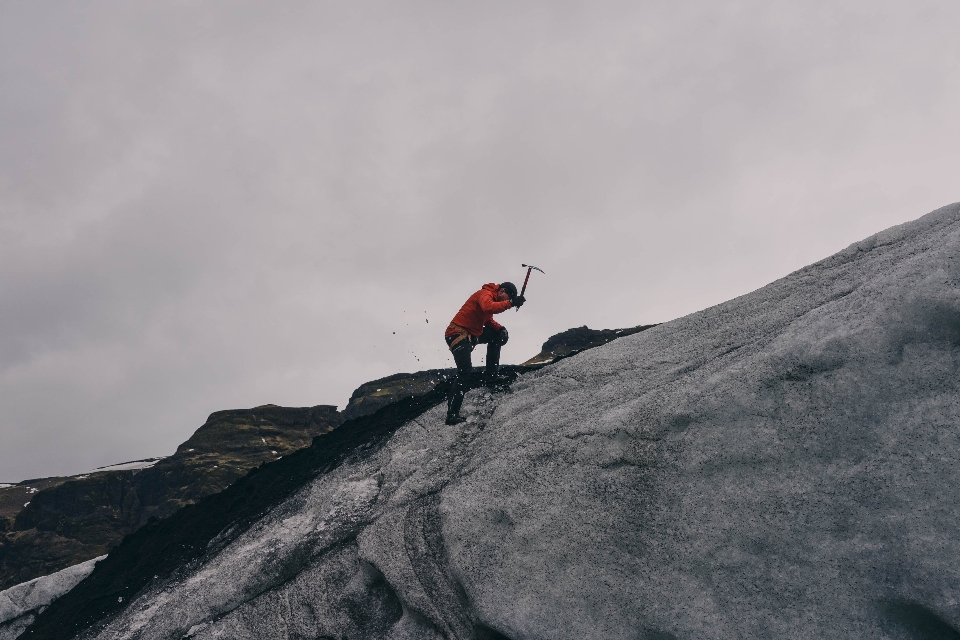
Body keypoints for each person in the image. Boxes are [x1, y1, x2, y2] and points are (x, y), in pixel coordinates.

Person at [444, 282, 525, 425]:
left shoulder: (492, 298)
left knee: (496, 336)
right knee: (465, 371)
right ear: (502, 291)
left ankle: (491, 377)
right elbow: (488, 307)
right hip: (457, 335)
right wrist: (511, 303)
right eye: (507, 297)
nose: (506, 300)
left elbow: (488, 320)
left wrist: (501, 329)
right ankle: (452, 415)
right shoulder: (485, 294)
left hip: (470, 335)